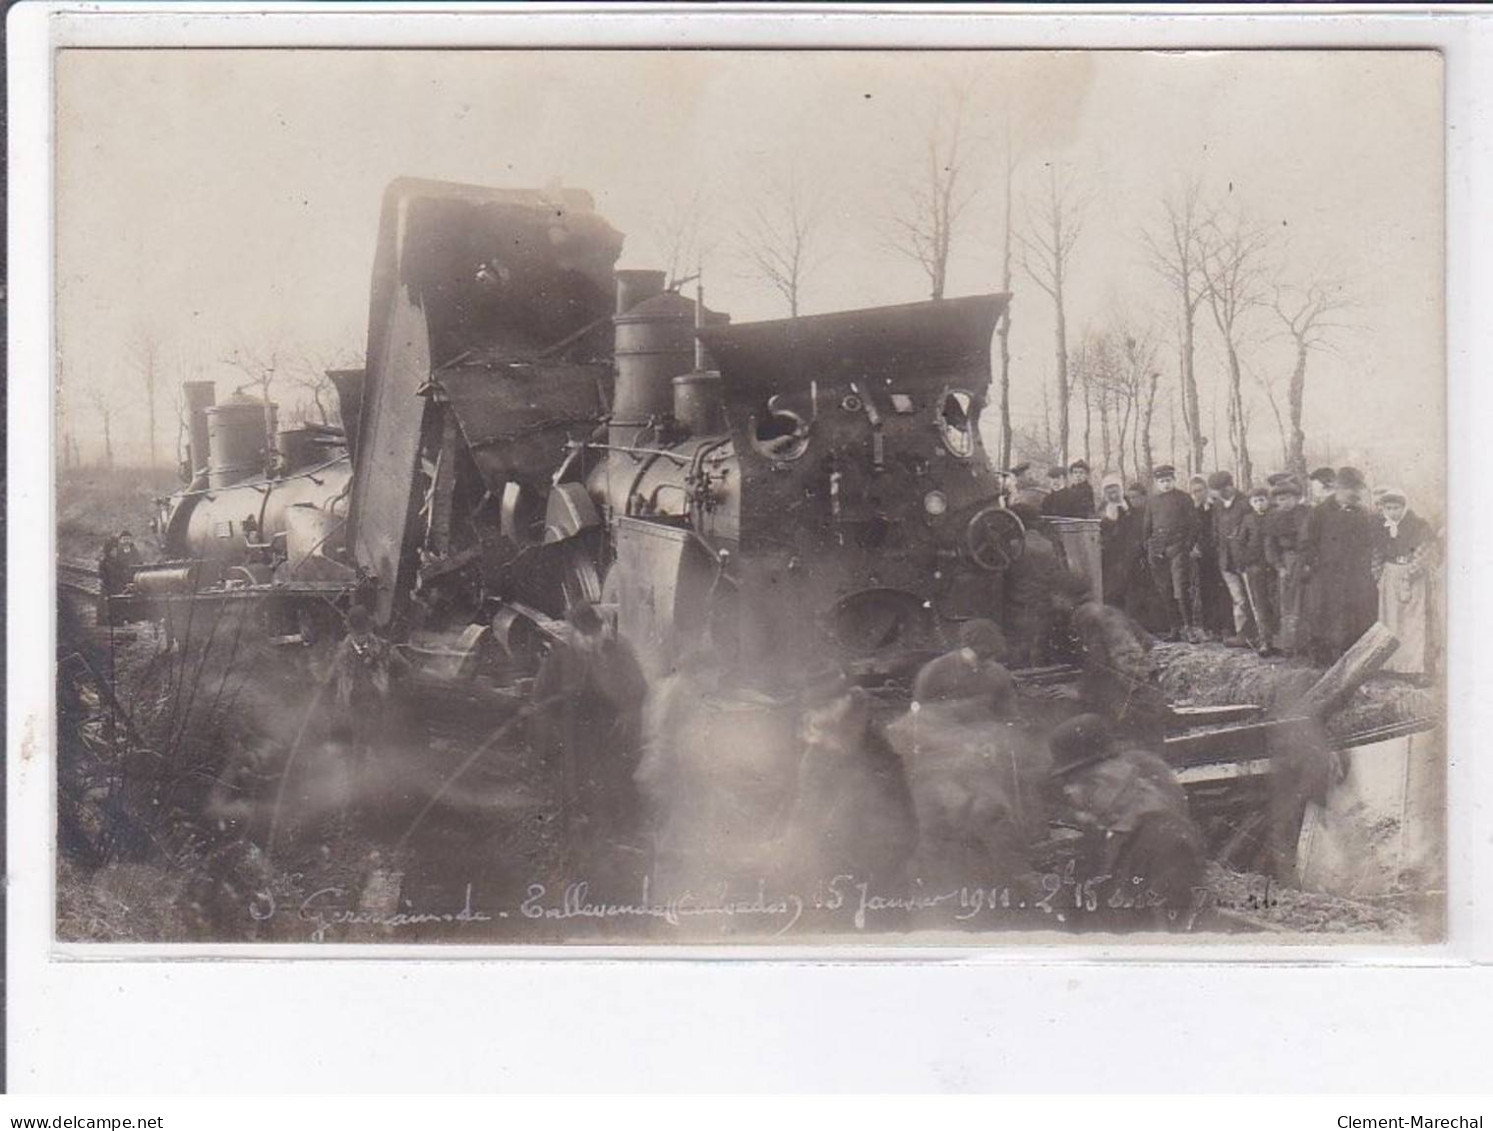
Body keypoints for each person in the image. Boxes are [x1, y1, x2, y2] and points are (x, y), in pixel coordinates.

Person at [884, 649, 1052, 891]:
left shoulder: (900, 730)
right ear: (950, 699)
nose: (979, 705)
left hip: (915, 865)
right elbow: (986, 813)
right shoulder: (958, 741)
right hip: (957, 866)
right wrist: (1024, 874)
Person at [1047, 713, 1205, 923]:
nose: (1071, 795)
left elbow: (1169, 935)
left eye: (1075, 784)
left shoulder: (1167, 841)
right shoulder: (1109, 828)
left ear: (1101, 782)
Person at [533, 601, 650, 856]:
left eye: (593, 635)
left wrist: (628, 710)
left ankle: (622, 830)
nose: (589, 642)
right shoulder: (559, 656)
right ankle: (576, 827)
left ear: (602, 632)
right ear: (573, 633)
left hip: (609, 726)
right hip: (573, 728)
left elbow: (639, 687)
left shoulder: (618, 652)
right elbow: (541, 696)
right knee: (574, 775)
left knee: (616, 777)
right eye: (583, 636)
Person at [1301, 466, 1379, 666]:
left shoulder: (1362, 515)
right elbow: (1307, 542)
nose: (1354, 494)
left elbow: (1368, 545)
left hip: (1353, 575)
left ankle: (1347, 658)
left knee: (1352, 614)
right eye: (1348, 489)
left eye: (1357, 489)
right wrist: (1315, 564)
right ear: (1338, 489)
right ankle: (1321, 658)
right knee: (1322, 613)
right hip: (1325, 575)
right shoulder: (1319, 513)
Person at [331, 605, 412, 757]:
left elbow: (405, 669)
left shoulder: (384, 648)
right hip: (351, 708)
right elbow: (329, 680)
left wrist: (391, 687)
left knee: (376, 748)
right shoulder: (340, 652)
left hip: (376, 707)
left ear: (369, 628)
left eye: (363, 632)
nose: (361, 637)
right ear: (349, 630)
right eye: (357, 632)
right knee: (352, 752)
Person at [1372, 489, 1436, 680]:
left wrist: (1408, 575)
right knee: (1390, 619)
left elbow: (1424, 553)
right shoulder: (1381, 527)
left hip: (1411, 575)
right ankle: (1391, 665)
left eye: (1396, 507)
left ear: (1404, 507)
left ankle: (1413, 668)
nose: (1392, 512)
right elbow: (1376, 554)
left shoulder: (1418, 525)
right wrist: (1378, 577)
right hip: (1389, 574)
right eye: (1388, 508)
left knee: (1412, 621)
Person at [1139, 465, 1198, 643]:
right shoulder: (1152, 501)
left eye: (1168, 480)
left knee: (1181, 588)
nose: (1165, 484)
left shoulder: (1184, 498)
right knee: (1165, 589)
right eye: (1162, 481)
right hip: (1157, 550)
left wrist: (1187, 546)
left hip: (1178, 548)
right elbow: (1147, 526)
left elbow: (1194, 524)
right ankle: (1175, 629)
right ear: (1157, 483)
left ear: (1174, 480)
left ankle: (1189, 629)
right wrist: (1149, 546)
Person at [1003, 503, 1063, 667]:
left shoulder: (1013, 546)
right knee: (1038, 651)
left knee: (1019, 656)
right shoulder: (1048, 544)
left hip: (1019, 609)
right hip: (1043, 607)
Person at [1264, 478, 1311, 656]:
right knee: (1287, 602)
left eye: (1289, 498)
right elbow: (1269, 545)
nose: (1285, 502)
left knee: (1305, 602)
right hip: (1286, 560)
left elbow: (1311, 540)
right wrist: (1278, 566)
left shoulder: (1306, 513)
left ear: (1296, 498)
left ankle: (1305, 643)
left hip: (1304, 559)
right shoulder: (1273, 517)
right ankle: (1288, 644)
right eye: (1281, 499)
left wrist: (1308, 562)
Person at [1207, 471, 1254, 648]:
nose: (1217, 495)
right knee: (1238, 599)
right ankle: (1242, 634)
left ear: (1229, 486)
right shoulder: (1218, 506)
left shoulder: (1245, 503)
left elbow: (1252, 532)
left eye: (1220, 490)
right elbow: (1215, 530)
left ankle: (1260, 636)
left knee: (1253, 598)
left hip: (1245, 560)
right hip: (1226, 560)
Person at [1187, 475, 1232, 640]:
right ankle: (1210, 628)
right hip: (1202, 554)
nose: (1196, 495)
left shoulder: (1216, 506)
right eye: (1193, 492)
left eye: (1199, 490)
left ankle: (1226, 626)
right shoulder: (1191, 510)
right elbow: (1189, 531)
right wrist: (1192, 547)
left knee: (1222, 589)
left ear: (1206, 490)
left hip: (1218, 552)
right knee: (1206, 590)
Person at [1238, 486, 1279, 656]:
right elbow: (1240, 542)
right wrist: (1247, 561)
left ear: (1267, 501)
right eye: (1255, 501)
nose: (1259, 504)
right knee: (1260, 604)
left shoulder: (1274, 516)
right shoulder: (1248, 519)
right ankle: (1265, 641)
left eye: (1262, 500)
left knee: (1275, 602)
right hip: (1255, 568)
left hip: (1273, 567)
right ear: (1251, 503)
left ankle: (1279, 639)